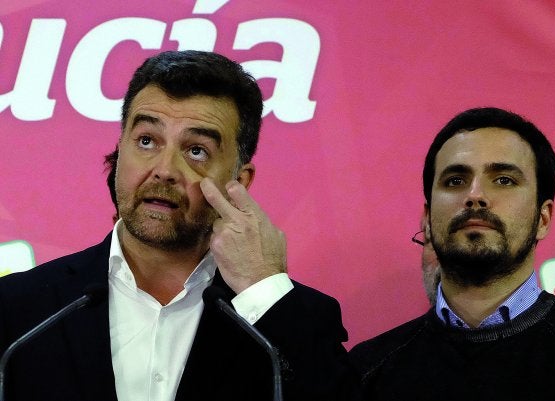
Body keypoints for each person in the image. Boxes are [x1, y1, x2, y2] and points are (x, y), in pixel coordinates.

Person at [0, 50, 354, 401]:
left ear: (239, 181)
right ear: (120, 152)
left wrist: (263, 290)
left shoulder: (293, 317)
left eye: (196, 150)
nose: (165, 169)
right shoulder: (18, 307)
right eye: (146, 141)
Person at [350, 107, 555, 401]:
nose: (475, 195)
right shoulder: (366, 371)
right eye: (455, 180)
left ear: (543, 219)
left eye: (504, 180)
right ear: (428, 220)